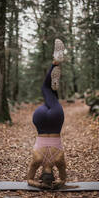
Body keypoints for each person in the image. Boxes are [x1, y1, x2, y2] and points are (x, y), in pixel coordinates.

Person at [27, 39, 66, 189]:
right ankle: (53, 74)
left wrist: (60, 182)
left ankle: (55, 65)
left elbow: (63, 180)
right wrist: (38, 184)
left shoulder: (59, 160)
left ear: (53, 175)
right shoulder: (36, 161)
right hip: (40, 119)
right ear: (41, 174)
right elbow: (29, 180)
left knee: (50, 94)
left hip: (56, 120)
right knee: (46, 89)